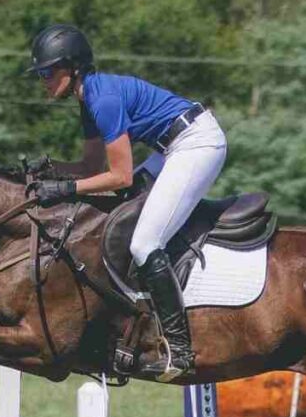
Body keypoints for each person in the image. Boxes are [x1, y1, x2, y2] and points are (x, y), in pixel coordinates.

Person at [24, 23, 227, 380]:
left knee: (145, 243)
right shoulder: (88, 99)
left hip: (197, 143)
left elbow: (120, 176)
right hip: (172, 146)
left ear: (72, 69)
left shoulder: (102, 99)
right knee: (124, 211)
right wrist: (54, 170)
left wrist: (66, 190)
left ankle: (180, 350)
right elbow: (91, 167)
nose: (42, 79)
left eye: (47, 71)